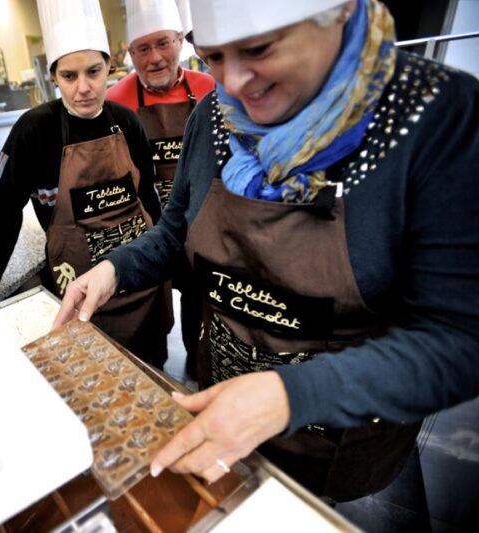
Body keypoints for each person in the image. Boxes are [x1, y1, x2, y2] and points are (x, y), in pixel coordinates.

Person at [55, 0, 479, 502]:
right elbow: (176, 232)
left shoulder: (436, 117)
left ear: (340, 13)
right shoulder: (214, 115)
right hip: (224, 412)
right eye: (211, 56)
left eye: (258, 49)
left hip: (342, 439)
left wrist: (290, 394)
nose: (232, 83)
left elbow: (460, 339)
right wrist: (114, 268)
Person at [0, 0, 172, 368]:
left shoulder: (127, 123)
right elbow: (0, 214)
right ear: (54, 76)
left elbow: (150, 203)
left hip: (141, 289)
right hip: (79, 297)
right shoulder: (34, 131)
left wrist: (170, 265)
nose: (83, 88)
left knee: (153, 375)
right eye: (69, 76)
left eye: (94, 72)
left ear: (109, 66)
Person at [106, 0, 214, 380]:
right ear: (129, 53)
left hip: (203, 224)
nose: (154, 58)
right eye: (142, 48)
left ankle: (200, 363)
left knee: (201, 306)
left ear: (181, 41)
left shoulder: (210, 90)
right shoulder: (114, 102)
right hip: (150, 231)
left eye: (164, 43)